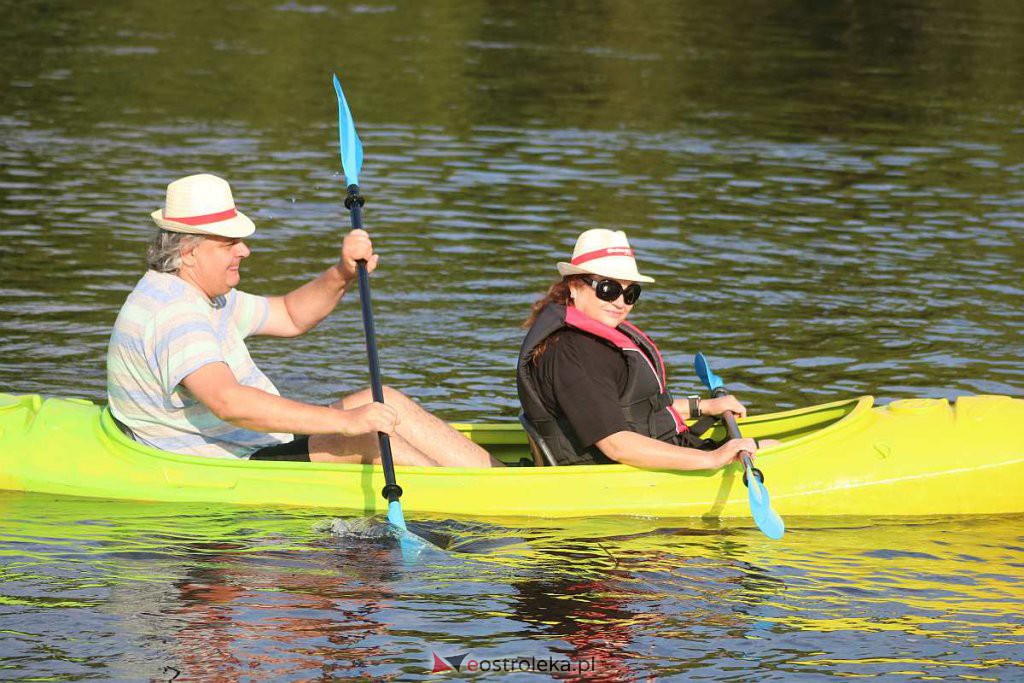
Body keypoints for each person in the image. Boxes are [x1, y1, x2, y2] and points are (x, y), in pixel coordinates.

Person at [107, 173, 495, 467]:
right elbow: (228, 401)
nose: (245, 250)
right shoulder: (174, 313)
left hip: (252, 440)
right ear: (189, 252)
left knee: (384, 400)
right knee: (369, 439)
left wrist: (341, 273)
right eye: (229, 243)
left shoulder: (203, 294)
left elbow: (291, 315)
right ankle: (477, 503)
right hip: (228, 463)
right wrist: (343, 423)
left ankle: (501, 481)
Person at [517, 228, 773, 469]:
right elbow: (617, 445)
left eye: (631, 293)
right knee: (775, 449)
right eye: (608, 289)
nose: (620, 303)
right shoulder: (573, 355)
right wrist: (713, 459)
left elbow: (634, 409)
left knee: (774, 446)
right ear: (574, 286)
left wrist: (702, 407)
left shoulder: (591, 341)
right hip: (613, 474)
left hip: (655, 448)